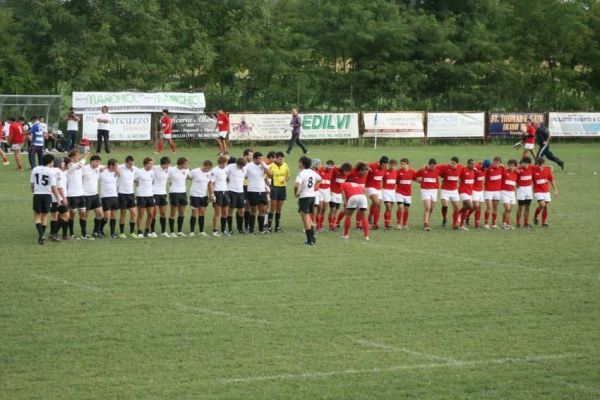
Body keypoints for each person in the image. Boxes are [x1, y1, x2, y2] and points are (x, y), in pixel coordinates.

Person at [31, 153, 62, 244]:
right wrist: (58, 198)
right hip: (47, 196)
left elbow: (32, 184)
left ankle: (41, 235)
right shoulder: (51, 172)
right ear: (50, 162)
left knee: (37, 216)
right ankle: (41, 236)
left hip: (37, 194)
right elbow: (53, 187)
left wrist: (34, 192)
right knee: (45, 216)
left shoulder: (35, 169)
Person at [294, 155, 321, 245]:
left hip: (304, 197)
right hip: (312, 196)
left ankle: (309, 240)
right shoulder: (313, 172)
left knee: (305, 218)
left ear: (302, 163)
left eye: (299, 162)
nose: (298, 164)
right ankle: (312, 237)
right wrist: (314, 188)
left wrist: (296, 193)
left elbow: (296, 185)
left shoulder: (301, 173)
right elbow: (319, 180)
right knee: (308, 217)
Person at [246, 151, 273, 233]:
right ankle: (251, 230)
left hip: (262, 190)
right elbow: (243, 175)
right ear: (254, 159)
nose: (261, 160)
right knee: (253, 210)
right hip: (252, 190)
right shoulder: (248, 166)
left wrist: (264, 166)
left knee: (262, 210)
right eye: (259, 158)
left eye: (261, 158)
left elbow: (270, 174)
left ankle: (261, 230)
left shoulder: (263, 165)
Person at [82, 155, 105, 239]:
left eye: (99, 162)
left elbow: (107, 167)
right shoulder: (84, 168)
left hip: (95, 195)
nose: (98, 163)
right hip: (85, 195)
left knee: (100, 214)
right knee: (85, 216)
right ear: (92, 161)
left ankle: (95, 231)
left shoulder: (98, 168)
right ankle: (84, 233)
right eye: (96, 162)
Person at [66, 150, 87, 239]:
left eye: (79, 155)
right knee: (72, 214)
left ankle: (84, 234)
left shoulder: (78, 166)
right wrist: (85, 156)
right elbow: (80, 165)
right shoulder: (70, 166)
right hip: (72, 194)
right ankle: (71, 234)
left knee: (83, 213)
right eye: (77, 155)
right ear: (72, 157)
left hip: (81, 194)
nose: (79, 157)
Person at [437, 156, 463, 229]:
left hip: (454, 190)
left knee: (457, 208)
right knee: (445, 206)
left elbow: (466, 170)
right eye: (451, 163)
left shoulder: (460, 167)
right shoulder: (445, 167)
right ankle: (444, 218)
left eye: (453, 163)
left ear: (457, 164)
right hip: (445, 190)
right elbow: (436, 167)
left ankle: (454, 224)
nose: (451, 164)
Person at [188, 160, 212, 236]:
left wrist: (211, 194)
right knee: (194, 213)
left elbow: (209, 184)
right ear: (204, 165)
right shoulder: (195, 171)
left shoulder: (209, 173)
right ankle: (192, 231)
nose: (208, 170)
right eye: (207, 168)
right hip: (194, 195)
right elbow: (188, 177)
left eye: (209, 169)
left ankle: (201, 231)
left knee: (202, 213)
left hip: (204, 195)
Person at [208, 155, 230, 237]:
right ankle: (215, 231)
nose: (224, 165)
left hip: (225, 192)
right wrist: (212, 194)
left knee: (225, 212)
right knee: (217, 213)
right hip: (218, 192)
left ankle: (223, 230)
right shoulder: (215, 171)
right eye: (223, 163)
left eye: (226, 163)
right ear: (220, 163)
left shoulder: (227, 169)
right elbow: (210, 183)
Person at [134, 157, 156, 238]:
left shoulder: (152, 172)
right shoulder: (139, 172)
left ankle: (147, 231)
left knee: (151, 214)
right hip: (141, 196)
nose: (151, 165)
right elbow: (134, 180)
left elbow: (153, 182)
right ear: (146, 164)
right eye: (150, 163)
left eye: (152, 164)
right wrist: (138, 186)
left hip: (150, 195)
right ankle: (139, 232)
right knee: (141, 215)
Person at [48, 157, 69, 242]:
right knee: (66, 217)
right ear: (59, 163)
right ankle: (54, 233)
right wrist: (64, 198)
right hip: (59, 198)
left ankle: (52, 234)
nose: (64, 164)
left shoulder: (50, 171)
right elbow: (59, 187)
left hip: (51, 198)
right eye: (63, 162)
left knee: (54, 217)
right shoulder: (58, 172)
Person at [168, 157, 190, 237]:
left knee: (181, 213)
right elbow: (165, 177)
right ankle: (172, 232)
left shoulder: (186, 170)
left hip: (183, 193)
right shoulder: (171, 170)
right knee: (173, 213)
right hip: (174, 193)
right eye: (186, 164)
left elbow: (189, 177)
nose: (187, 165)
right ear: (181, 164)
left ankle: (180, 231)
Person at [415, 158, 439, 231]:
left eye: (434, 166)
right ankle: (426, 224)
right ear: (428, 165)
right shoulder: (423, 170)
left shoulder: (438, 170)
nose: (432, 168)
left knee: (431, 209)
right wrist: (419, 181)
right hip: (425, 190)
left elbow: (445, 174)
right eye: (431, 166)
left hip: (434, 190)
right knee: (427, 207)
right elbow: (414, 175)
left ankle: (428, 222)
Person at [268, 151, 290, 233]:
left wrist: (286, 179)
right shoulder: (271, 166)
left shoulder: (285, 165)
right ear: (276, 158)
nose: (281, 161)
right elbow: (265, 177)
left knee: (279, 209)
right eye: (280, 159)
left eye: (282, 159)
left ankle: (277, 227)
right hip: (275, 188)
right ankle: (269, 227)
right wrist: (270, 186)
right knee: (272, 208)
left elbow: (288, 176)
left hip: (282, 188)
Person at [365, 156, 389, 229]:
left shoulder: (384, 168)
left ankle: (375, 224)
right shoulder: (372, 165)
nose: (383, 166)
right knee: (376, 202)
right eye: (382, 165)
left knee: (379, 206)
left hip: (378, 188)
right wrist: (367, 168)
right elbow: (362, 167)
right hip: (370, 187)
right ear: (379, 163)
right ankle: (370, 216)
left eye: (385, 165)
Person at [117, 155, 138, 239]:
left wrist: (136, 181)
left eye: (132, 164)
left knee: (133, 213)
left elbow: (138, 176)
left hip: (131, 194)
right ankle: (122, 232)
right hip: (122, 194)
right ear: (126, 162)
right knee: (123, 214)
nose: (131, 165)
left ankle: (132, 232)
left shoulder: (134, 169)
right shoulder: (120, 167)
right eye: (129, 164)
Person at [533, 158, 558, 227]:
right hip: (537, 191)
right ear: (536, 164)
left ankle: (535, 218)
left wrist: (555, 190)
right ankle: (544, 223)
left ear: (543, 165)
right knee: (544, 206)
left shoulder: (547, 170)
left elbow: (552, 180)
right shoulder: (533, 169)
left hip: (546, 191)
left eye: (541, 165)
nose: (539, 167)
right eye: (538, 165)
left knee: (541, 206)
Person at [99, 159, 120, 238]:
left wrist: (117, 170)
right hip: (105, 197)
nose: (117, 167)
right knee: (107, 216)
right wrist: (104, 167)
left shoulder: (116, 173)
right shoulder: (103, 172)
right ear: (111, 166)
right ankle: (99, 229)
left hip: (114, 196)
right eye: (116, 166)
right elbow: (97, 168)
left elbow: (120, 174)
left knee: (113, 216)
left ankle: (112, 233)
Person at [328, 162, 352, 230]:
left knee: (336, 210)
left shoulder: (348, 174)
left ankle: (333, 224)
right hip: (332, 192)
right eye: (346, 171)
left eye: (348, 172)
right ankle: (330, 225)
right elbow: (330, 172)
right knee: (333, 209)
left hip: (339, 194)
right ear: (343, 169)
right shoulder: (335, 170)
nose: (346, 173)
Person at [227, 157, 247, 234]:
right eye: (240, 166)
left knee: (241, 210)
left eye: (243, 166)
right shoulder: (230, 167)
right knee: (231, 210)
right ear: (237, 164)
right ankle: (229, 229)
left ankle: (240, 229)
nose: (241, 167)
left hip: (240, 191)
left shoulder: (244, 168)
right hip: (231, 191)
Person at [152, 156, 171, 237]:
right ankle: (152, 231)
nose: (168, 166)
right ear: (163, 164)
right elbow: (148, 165)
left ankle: (163, 231)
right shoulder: (155, 168)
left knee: (163, 213)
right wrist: (152, 159)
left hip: (163, 194)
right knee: (154, 213)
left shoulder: (169, 169)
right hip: (154, 193)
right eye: (167, 165)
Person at [395, 158, 416, 230]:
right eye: (402, 164)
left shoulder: (412, 172)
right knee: (400, 207)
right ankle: (398, 224)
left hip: (408, 193)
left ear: (408, 164)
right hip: (399, 192)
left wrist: (423, 182)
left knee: (406, 209)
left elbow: (415, 179)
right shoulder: (398, 172)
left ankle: (405, 224)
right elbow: (394, 180)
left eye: (404, 164)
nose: (403, 166)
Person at [484, 156, 504, 229]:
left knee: (495, 207)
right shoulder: (489, 168)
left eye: (498, 163)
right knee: (489, 206)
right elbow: (483, 173)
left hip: (497, 191)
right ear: (493, 162)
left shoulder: (502, 168)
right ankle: (486, 223)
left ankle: (494, 223)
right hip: (488, 191)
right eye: (496, 162)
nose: (497, 164)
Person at [515, 157, 535, 228]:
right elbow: (512, 174)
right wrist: (515, 183)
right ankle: (518, 223)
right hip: (521, 190)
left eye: (527, 163)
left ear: (529, 164)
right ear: (521, 163)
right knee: (520, 207)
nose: (525, 164)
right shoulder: (518, 169)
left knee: (528, 207)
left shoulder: (531, 167)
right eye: (524, 163)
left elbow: (540, 165)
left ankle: (526, 223)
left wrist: (549, 167)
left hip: (529, 189)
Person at [315, 160, 334, 232]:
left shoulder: (332, 170)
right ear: (325, 165)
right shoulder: (320, 169)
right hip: (320, 190)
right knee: (320, 208)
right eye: (329, 167)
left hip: (327, 191)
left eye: (331, 167)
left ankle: (321, 225)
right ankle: (317, 226)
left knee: (324, 209)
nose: (330, 169)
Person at [457, 159, 476, 230]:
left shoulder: (474, 170)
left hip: (469, 192)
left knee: (466, 208)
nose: (473, 165)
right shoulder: (463, 170)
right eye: (471, 164)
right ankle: (458, 213)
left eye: (474, 164)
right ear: (468, 164)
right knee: (470, 206)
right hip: (463, 191)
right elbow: (457, 176)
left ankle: (461, 225)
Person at [501, 159, 518, 229]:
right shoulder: (504, 171)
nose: (511, 167)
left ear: (515, 166)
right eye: (509, 165)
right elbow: (500, 166)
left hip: (512, 193)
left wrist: (516, 185)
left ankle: (506, 223)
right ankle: (504, 223)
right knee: (507, 208)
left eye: (512, 166)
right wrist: (503, 166)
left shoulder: (516, 173)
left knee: (509, 210)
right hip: (504, 192)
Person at [381, 159, 398, 229]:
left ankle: (387, 223)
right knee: (388, 207)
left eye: (394, 165)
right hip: (385, 191)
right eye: (391, 165)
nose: (392, 166)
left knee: (389, 209)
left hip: (393, 192)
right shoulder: (385, 172)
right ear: (389, 164)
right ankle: (386, 223)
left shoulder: (396, 173)